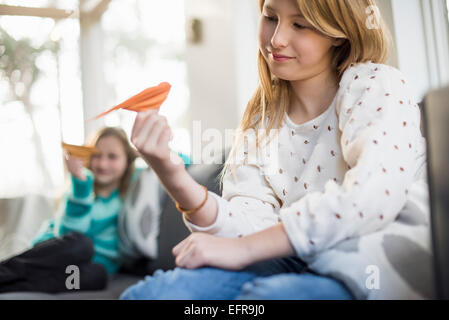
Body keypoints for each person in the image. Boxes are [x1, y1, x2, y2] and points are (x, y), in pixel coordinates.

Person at [120, 0, 432, 300]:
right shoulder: (261, 119)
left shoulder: (377, 84)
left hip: (370, 261)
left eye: (300, 24)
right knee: (152, 294)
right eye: (270, 17)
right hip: (298, 257)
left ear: (338, 33)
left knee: (267, 297)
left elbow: (373, 196)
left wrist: (245, 250)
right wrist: (171, 173)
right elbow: (249, 225)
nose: (277, 39)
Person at [0, 127, 191, 293]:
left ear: (127, 159)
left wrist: (147, 153)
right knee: (82, 245)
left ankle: (10, 285)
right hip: (55, 255)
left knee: (98, 275)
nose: (102, 164)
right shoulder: (80, 186)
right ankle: (5, 272)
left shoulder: (133, 184)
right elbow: (68, 235)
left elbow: (182, 161)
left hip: (81, 269)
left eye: (112, 156)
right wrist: (81, 186)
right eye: (97, 155)